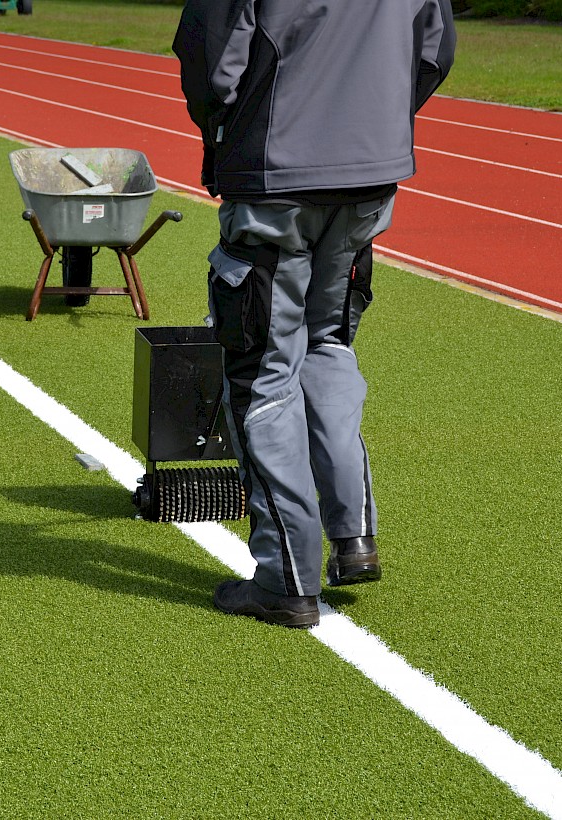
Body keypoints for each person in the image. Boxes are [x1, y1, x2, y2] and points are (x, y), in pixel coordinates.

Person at [173, 0, 456, 628]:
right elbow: (435, 52)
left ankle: (287, 578)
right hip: (371, 176)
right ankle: (353, 536)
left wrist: (223, 133)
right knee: (327, 344)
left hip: (278, 173)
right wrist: (376, 115)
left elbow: (214, 64)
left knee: (263, 373)